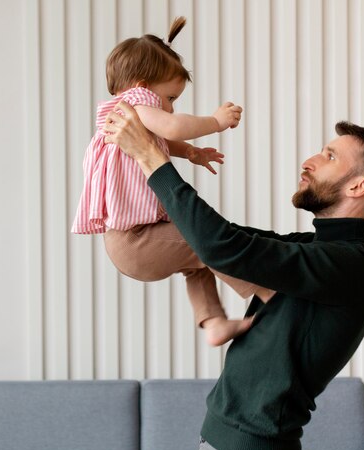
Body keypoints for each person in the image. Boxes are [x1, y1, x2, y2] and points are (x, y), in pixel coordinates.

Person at [103, 102, 364, 450]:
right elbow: (223, 241)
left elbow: (223, 247)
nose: (309, 161)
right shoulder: (314, 249)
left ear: (359, 185)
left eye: (329, 156)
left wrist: (151, 158)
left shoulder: (351, 267)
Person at [72, 17, 270, 346]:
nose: (171, 106)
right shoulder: (135, 103)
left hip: (132, 240)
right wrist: (216, 122)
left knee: (197, 263)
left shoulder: (124, 114)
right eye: (170, 98)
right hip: (136, 241)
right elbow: (173, 127)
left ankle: (214, 321)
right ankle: (269, 292)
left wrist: (190, 153)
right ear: (141, 85)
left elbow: (165, 139)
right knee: (206, 243)